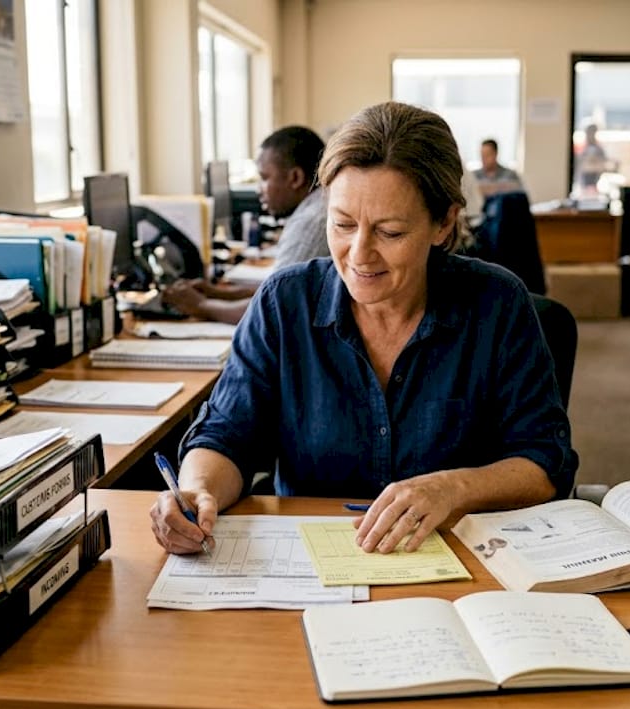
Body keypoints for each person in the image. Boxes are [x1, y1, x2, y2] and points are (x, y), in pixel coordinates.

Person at [150, 101, 577, 556]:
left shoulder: (498, 305)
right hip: (311, 567)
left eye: (390, 232)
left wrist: (454, 488)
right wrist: (198, 489)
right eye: (343, 224)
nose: (358, 255)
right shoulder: (284, 303)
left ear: (444, 223)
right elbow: (226, 436)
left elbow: (545, 463)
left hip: (454, 566)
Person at [163, 126, 329, 324]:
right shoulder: (318, 206)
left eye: (265, 178)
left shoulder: (310, 221)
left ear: (295, 178)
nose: (259, 189)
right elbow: (277, 288)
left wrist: (200, 306)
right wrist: (217, 293)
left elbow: (275, 309)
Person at [576, 124, 609, 194]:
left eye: (593, 133)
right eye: (589, 133)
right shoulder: (582, 147)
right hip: (585, 175)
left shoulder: (598, 148)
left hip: (595, 174)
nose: (591, 135)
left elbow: (603, 161)